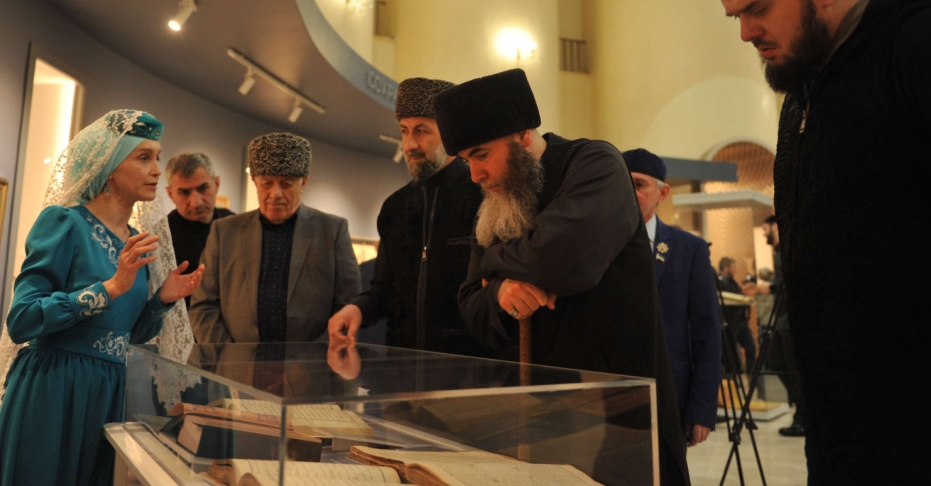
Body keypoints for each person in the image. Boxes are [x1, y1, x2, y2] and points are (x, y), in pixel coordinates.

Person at [712, 0, 931, 483]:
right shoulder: (804, 94)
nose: (745, 32)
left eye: (758, 9)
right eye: (736, 16)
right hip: (843, 430)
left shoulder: (912, 44)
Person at [436, 69, 690, 486]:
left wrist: (492, 264)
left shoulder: (594, 162)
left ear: (522, 135)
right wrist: (500, 294)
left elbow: (562, 261)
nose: (474, 175)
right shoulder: (498, 199)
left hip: (615, 409)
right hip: (529, 418)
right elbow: (470, 306)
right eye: (466, 161)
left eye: (481, 155)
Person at [0, 110, 203, 486]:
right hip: (54, 386)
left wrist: (162, 301)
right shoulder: (64, 223)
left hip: (108, 390)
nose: (156, 170)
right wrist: (109, 287)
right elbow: (22, 319)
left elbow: (126, 335)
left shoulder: (136, 241)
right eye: (143, 157)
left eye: (157, 158)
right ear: (109, 167)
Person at [328, 78, 489, 356]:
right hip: (401, 369)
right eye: (404, 131)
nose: (410, 143)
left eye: (422, 130)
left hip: (468, 369)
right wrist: (357, 309)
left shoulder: (484, 197)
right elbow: (383, 291)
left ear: (449, 133)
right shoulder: (394, 207)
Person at [189, 133, 360, 344]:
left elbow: (349, 306)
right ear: (254, 181)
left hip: (311, 363)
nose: (275, 193)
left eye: (286, 184)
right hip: (235, 362)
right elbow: (203, 306)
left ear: (303, 183)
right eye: (267, 183)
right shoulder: (224, 232)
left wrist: (318, 357)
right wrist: (228, 356)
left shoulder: (332, 231)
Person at [623, 148, 721, 448]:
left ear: (662, 192)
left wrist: (701, 409)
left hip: (671, 395)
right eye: (622, 183)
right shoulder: (598, 245)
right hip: (612, 396)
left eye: (639, 184)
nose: (628, 192)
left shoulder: (688, 249)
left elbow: (707, 333)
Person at [165, 152, 234, 305]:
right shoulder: (161, 237)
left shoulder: (236, 225)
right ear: (170, 194)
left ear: (217, 184)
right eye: (184, 192)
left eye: (203, 188)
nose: (196, 202)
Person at [761, 215, 805, 437]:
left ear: (775, 226)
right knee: (775, 361)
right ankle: (802, 412)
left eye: (765, 228)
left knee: (790, 367)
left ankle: (803, 417)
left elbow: (787, 282)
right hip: (781, 319)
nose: (764, 233)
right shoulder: (779, 251)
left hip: (787, 320)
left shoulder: (785, 250)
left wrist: (767, 288)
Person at [717, 257, 756, 379]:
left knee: (751, 347)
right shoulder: (720, 282)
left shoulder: (732, 281)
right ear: (726, 267)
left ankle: (751, 375)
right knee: (731, 353)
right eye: (733, 267)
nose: (735, 270)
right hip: (730, 323)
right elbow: (728, 298)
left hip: (741, 322)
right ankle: (733, 377)